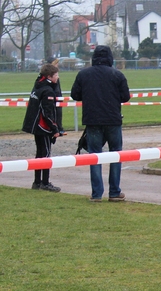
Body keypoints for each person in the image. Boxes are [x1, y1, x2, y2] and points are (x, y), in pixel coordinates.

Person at [70, 45, 131, 202]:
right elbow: (125, 96)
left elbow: (75, 94)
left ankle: (97, 193)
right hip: (113, 119)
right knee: (116, 154)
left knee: (95, 155)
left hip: (92, 119)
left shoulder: (84, 74)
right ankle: (114, 191)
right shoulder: (117, 75)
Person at [21, 63, 63, 192]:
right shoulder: (47, 90)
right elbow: (47, 112)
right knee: (45, 154)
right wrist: (55, 129)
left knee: (39, 154)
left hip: (36, 126)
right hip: (43, 127)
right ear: (49, 76)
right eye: (56, 75)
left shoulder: (37, 86)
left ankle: (37, 182)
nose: (58, 77)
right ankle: (45, 182)